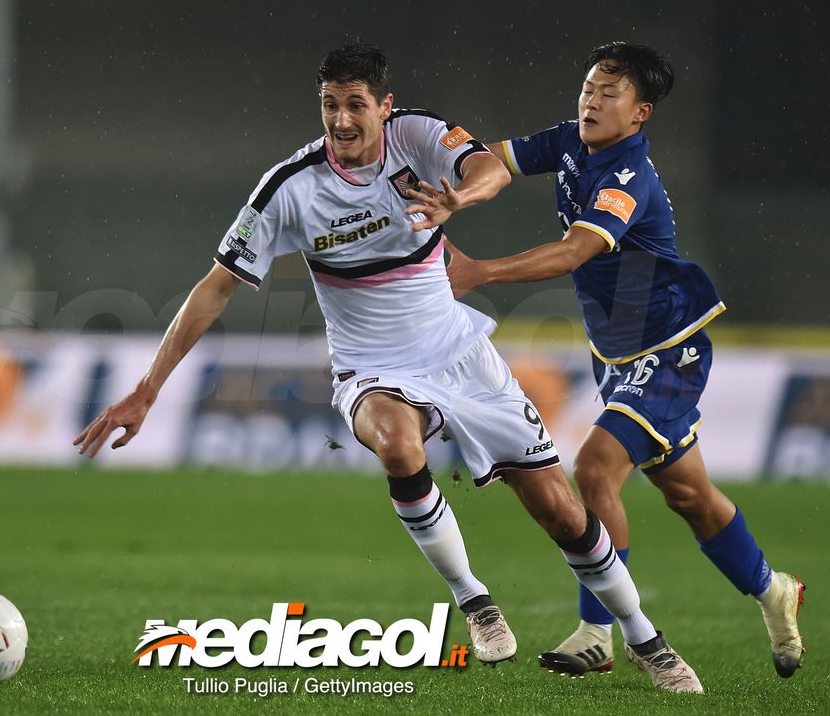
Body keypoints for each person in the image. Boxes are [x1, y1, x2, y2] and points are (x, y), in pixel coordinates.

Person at [76, 42, 702, 693]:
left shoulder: (419, 135)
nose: (341, 121)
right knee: (400, 446)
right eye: (329, 106)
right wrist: (148, 390)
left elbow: (487, 166)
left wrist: (460, 199)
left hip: (460, 353)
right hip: (370, 369)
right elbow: (214, 288)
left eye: (354, 106)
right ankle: (474, 601)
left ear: (384, 107)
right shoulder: (290, 189)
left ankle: (643, 638)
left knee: (560, 513)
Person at [445, 41, 805, 678]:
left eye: (609, 94)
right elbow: (491, 158)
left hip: (669, 351)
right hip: (616, 352)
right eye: (587, 87)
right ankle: (773, 589)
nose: (590, 99)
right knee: (690, 495)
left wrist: (477, 273)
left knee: (594, 470)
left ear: (640, 114)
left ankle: (597, 632)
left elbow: (573, 254)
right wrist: (436, 165)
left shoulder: (626, 177)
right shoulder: (570, 142)